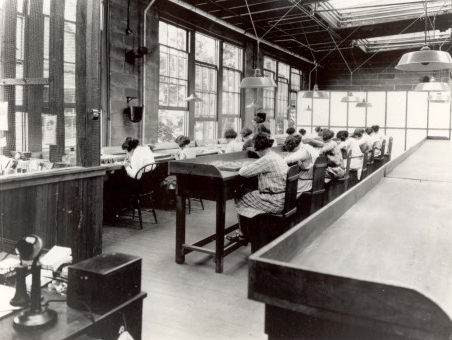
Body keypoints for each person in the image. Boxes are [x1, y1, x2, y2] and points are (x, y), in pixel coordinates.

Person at [231, 132, 289, 241]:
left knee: (238, 196)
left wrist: (244, 165)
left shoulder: (266, 159)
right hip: (283, 198)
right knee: (249, 191)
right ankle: (249, 230)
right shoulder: (275, 156)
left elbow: (244, 173)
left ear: (257, 148)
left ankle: (243, 234)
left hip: (274, 202)